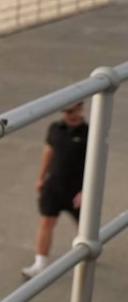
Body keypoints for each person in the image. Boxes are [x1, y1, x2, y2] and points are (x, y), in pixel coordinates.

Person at [21, 101, 88, 280]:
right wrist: (41, 178)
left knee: (86, 227)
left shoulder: (89, 132)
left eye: (70, 111)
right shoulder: (55, 128)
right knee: (46, 222)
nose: (65, 114)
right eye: (63, 110)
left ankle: (88, 253)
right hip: (54, 186)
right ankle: (40, 263)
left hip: (78, 191)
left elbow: (95, 164)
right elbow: (48, 152)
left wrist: (86, 191)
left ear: (80, 109)